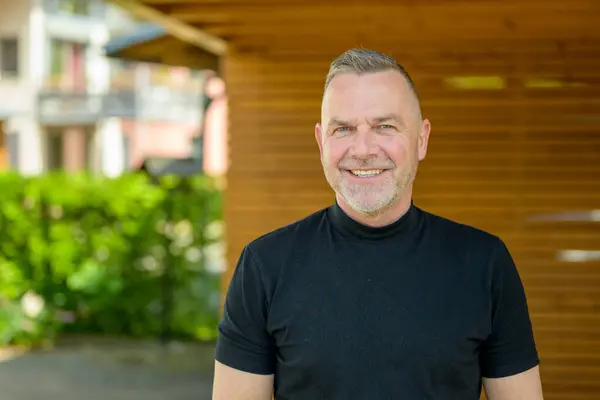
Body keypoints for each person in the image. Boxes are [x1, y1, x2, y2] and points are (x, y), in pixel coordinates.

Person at [212, 48, 544, 399]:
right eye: (343, 129)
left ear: (422, 139)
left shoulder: (484, 263)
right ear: (321, 141)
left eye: (385, 126)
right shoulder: (265, 266)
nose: (363, 148)